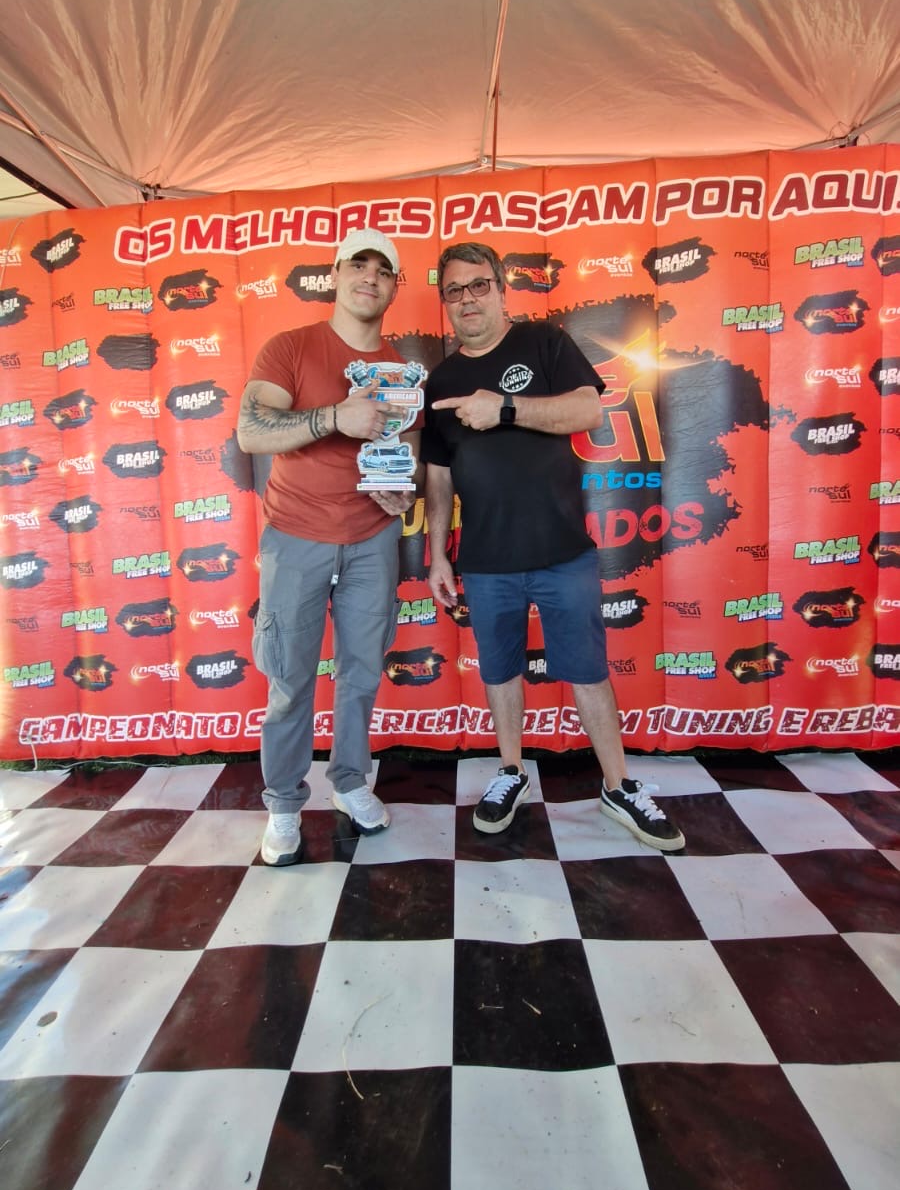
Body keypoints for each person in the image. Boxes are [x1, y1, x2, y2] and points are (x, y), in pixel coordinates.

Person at [423, 241, 684, 852]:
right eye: (454, 290)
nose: (467, 299)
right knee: (499, 672)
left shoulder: (543, 342)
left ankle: (618, 786)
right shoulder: (441, 379)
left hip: (563, 551)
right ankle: (511, 771)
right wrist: (436, 554)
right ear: (445, 302)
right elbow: (437, 476)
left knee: (588, 672)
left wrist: (504, 409)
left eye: (478, 285)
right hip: (485, 560)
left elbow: (588, 410)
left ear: (501, 288)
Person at [238, 228, 416, 865]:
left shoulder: (399, 367)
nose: (370, 278)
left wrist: (400, 487)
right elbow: (251, 430)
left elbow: (402, 447)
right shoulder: (291, 346)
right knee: (289, 681)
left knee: (361, 673)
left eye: (383, 270)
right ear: (336, 275)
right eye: (358, 265)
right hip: (295, 536)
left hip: (372, 537)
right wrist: (334, 416)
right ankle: (285, 803)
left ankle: (348, 781)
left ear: (394, 287)